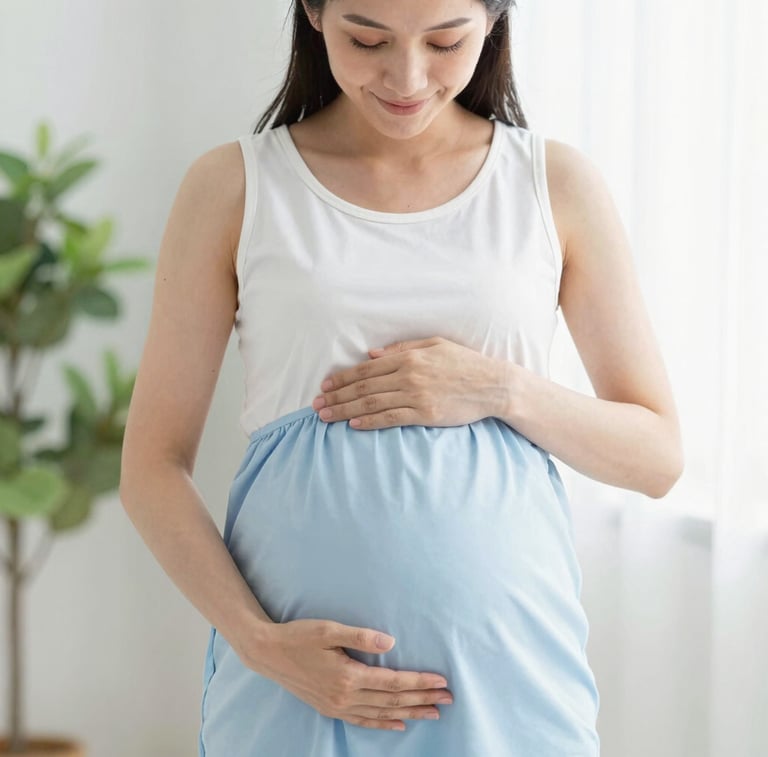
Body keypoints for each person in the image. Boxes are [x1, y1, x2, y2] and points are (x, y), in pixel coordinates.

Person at [119, 0, 684, 755]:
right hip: (296, 685)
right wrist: (260, 643)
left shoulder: (552, 184)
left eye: (446, 41)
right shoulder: (235, 186)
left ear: (493, 22)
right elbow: (151, 466)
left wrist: (499, 388)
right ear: (314, 15)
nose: (408, 77)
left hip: (506, 683)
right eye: (368, 38)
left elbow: (656, 456)